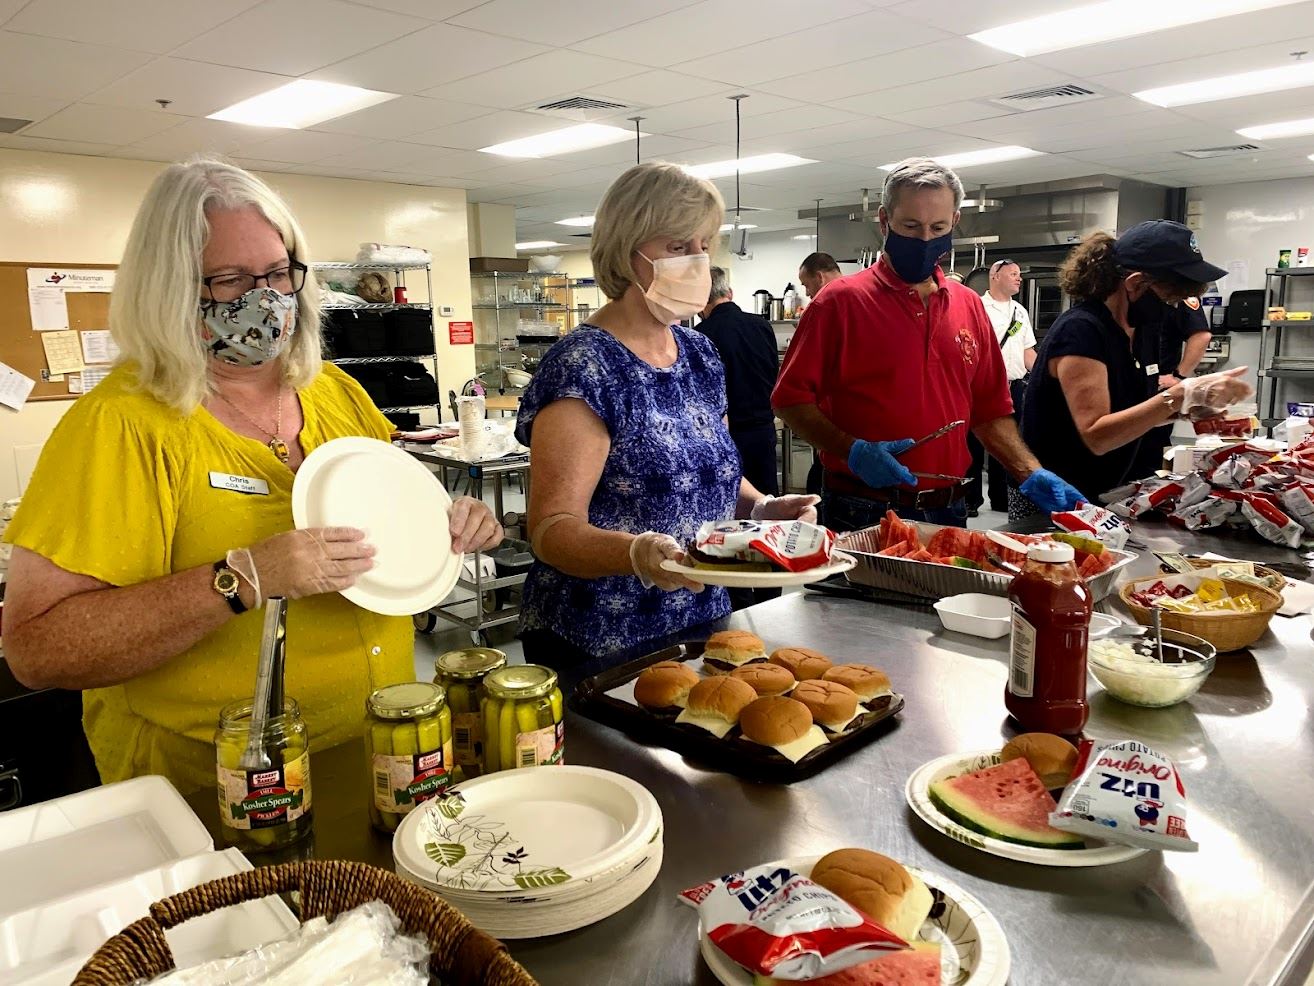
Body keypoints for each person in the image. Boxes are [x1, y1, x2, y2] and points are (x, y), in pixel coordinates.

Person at [0, 159, 502, 795]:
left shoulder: (334, 394)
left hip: (384, 754)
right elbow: (39, 648)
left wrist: (451, 526)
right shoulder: (121, 426)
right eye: (230, 279)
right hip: (219, 790)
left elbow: (391, 532)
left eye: (276, 271)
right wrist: (242, 579)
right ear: (169, 286)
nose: (264, 298)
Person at [515, 163, 817, 673]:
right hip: (602, 636)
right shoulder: (585, 365)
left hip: (701, 616)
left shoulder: (699, 353)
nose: (696, 262)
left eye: (703, 246)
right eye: (677, 246)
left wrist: (762, 510)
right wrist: (637, 554)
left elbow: (705, 469)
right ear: (625, 248)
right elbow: (551, 528)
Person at [773, 157, 1083, 533]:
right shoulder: (839, 301)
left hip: (949, 508)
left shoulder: (968, 304)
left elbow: (988, 408)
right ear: (885, 221)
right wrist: (851, 450)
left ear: (954, 222)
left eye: (937, 227)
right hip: (862, 507)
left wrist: (1030, 472)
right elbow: (789, 399)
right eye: (910, 226)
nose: (924, 239)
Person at [1017, 220, 1253, 516]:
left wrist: (1190, 407)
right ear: (1135, 283)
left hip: (1108, 492)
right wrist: (1179, 394)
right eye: (1169, 298)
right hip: (1058, 497)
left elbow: (1131, 410)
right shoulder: (1081, 331)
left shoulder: (1141, 331)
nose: (1172, 308)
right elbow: (1097, 435)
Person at [697, 265, 782, 610]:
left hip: (728, 438)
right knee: (764, 517)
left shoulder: (703, 337)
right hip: (763, 433)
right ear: (728, 292)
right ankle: (770, 595)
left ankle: (740, 597)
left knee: (730, 525)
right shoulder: (761, 327)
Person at [967, 259, 1037, 514]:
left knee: (1008, 442)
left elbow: (1028, 351)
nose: (1019, 278)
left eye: (1019, 274)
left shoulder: (1020, 311)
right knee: (974, 444)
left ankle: (1001, 499)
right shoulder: (977, 307)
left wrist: (1044, 377)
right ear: (995, 276)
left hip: (1014, 386)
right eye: (1013, 274)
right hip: (982, 386)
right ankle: (970, 500)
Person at [1130, 294, 1214, 477]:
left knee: (1147, 453)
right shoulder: (1136, 296)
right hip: (1136, 381)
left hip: (1158, 385)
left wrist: (1178, 376)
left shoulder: (1178, 293)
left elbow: (1201, 335)